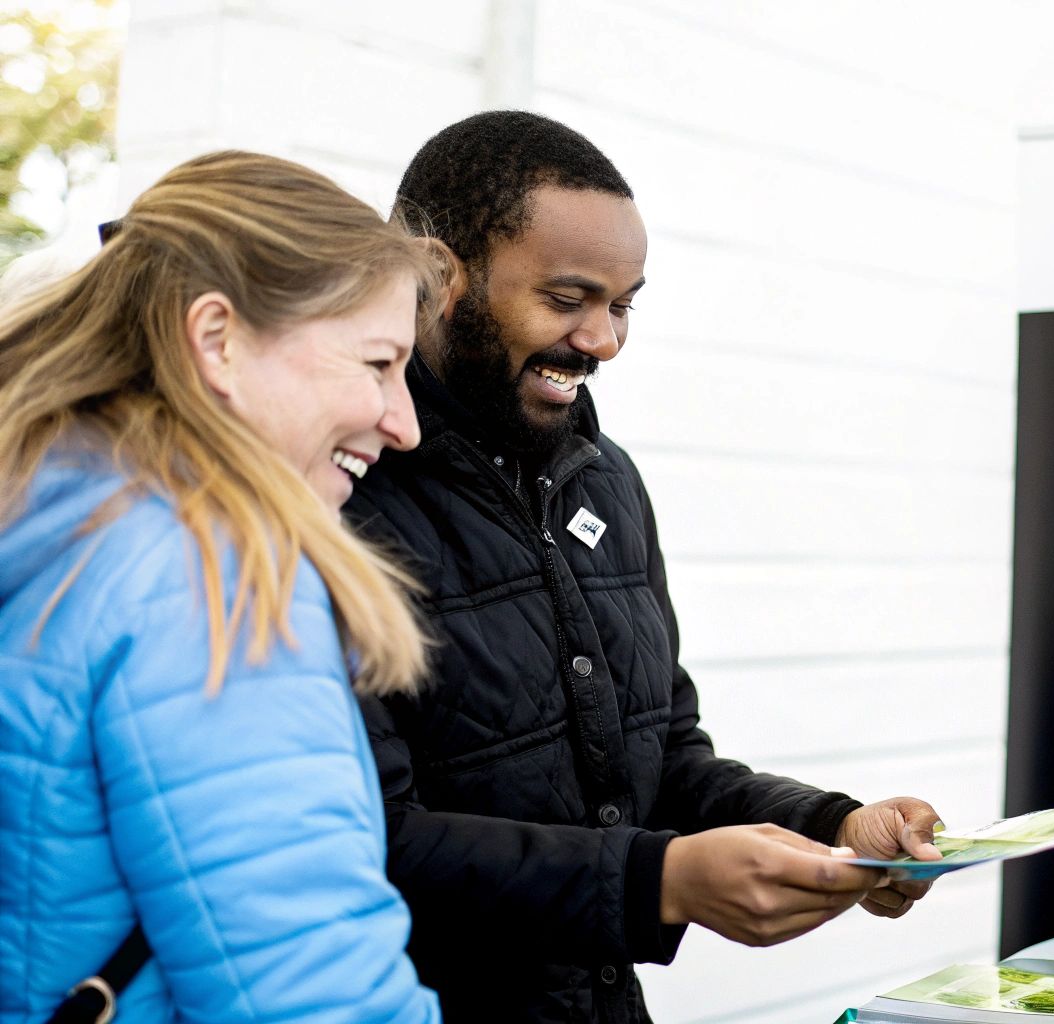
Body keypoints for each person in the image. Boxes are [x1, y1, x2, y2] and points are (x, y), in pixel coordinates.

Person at [343, 110, 946, 1024]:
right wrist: (659, 881)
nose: (604, 341)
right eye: (566, 298)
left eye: (622, 305)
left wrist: (835, 827)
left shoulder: (606, 481)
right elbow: (368, 843)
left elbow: (661, 758)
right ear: (438, 276)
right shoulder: (335, 490)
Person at [0, 151, 442, 1021]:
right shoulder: (209, 574)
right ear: (217, 341)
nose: (406, 423)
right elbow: (309, 994)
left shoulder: (48, 502)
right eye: (378, 364)